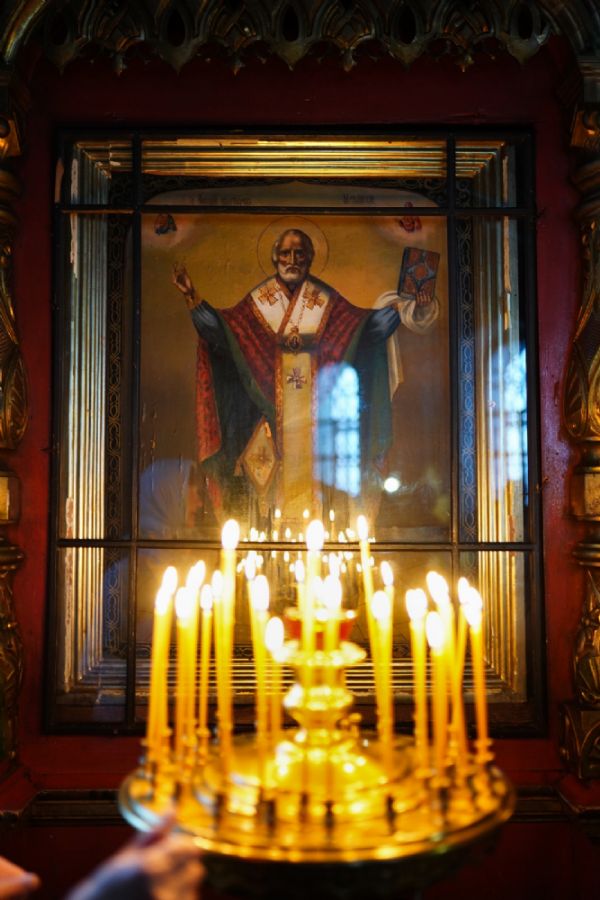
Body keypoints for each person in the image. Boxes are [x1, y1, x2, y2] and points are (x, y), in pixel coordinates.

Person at [172, 227, 438, 529]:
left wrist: (405, 305)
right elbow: (222, 332)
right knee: (263, 506)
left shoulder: (327, 302)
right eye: (285, 253)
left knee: (327, 503)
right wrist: (192, 298)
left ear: (310, 258)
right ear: (275, 258)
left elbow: (365, 330)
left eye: (300, 253)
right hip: (267, 431)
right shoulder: (257, 304)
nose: (292, 260)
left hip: (319, 434)